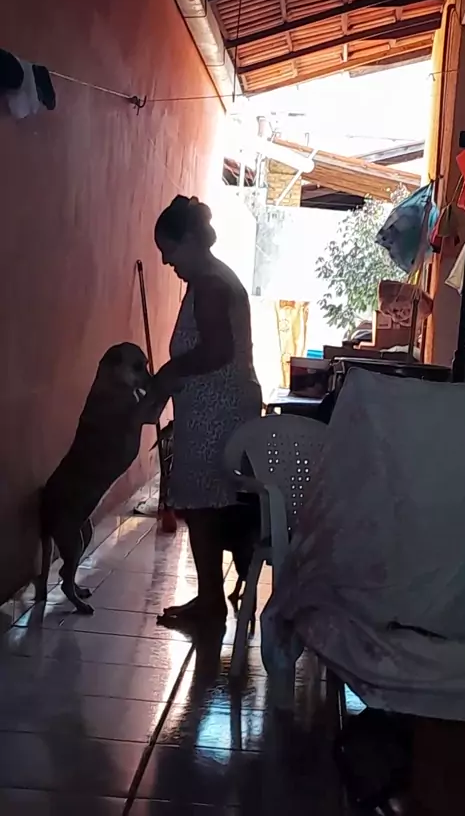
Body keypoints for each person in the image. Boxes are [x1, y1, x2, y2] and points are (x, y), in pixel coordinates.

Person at [153, 195, 262, 623]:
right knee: (205, 504)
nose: (166, 261)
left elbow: (218, 350)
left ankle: (211, 602)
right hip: (212, 407)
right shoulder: (208, 280)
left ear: (190, 241)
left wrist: (169, 372)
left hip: (218, 410)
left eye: (169, 251)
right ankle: (210, 597)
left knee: (203, 505)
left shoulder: (212, 285)